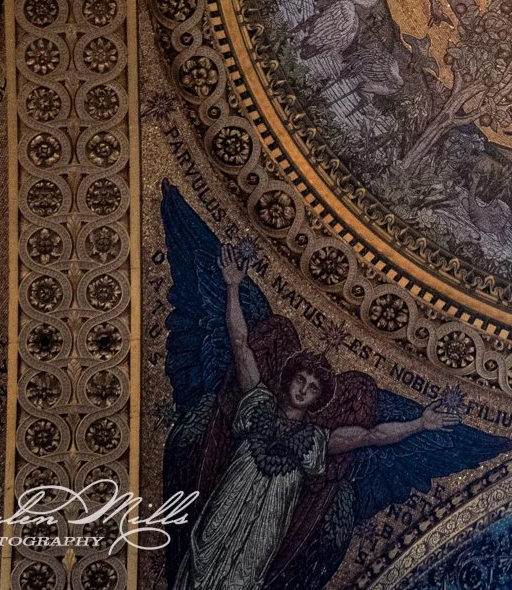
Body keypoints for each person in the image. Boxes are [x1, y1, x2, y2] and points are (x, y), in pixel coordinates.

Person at [172, 246, 460, 590]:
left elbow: (372, 435)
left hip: (268, 522)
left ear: (318, 398)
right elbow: (240, 342)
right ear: (289, 379)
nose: (304, 389)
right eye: (301, 380)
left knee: (245, 576)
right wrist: (233, 285)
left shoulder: (316, 441)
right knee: (203, 552)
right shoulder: (258, 400)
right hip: (229, 499)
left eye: (312, 387)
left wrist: (420, 424)